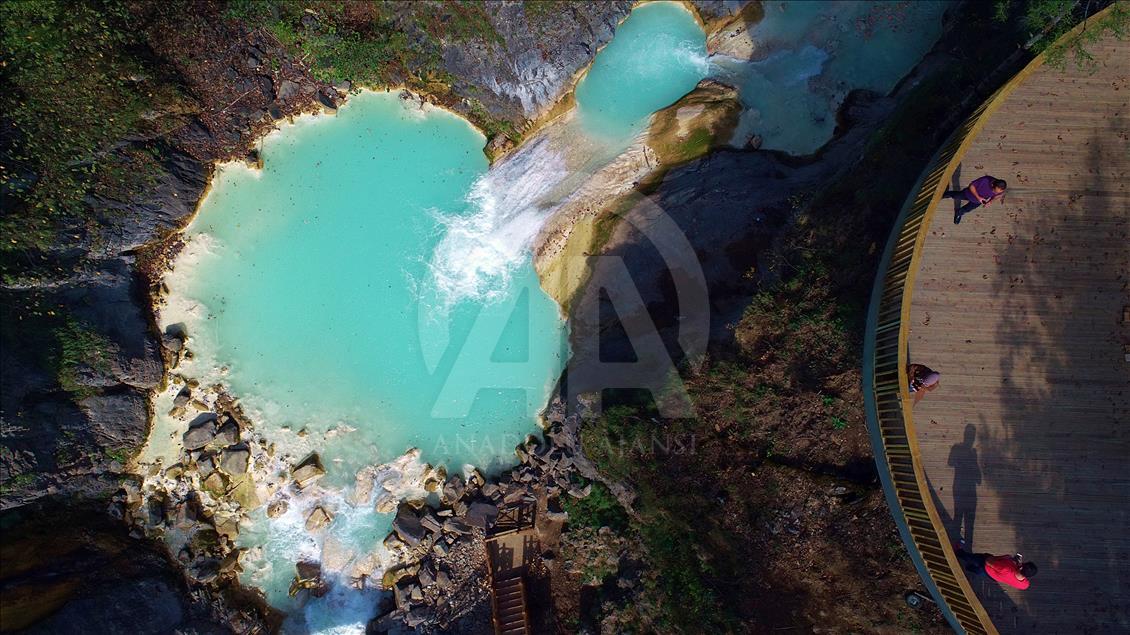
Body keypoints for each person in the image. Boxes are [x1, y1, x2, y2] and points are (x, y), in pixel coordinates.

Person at [954, 542, 1038, 590]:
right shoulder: (1025, 585)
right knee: (978, 571)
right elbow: (1019, 576)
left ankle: (958, 552)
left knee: (972, 558)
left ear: (1021, 567)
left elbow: (988, 561)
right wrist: (1018, 565)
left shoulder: (1006, 569)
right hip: (994, 577)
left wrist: (1006, 557)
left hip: (987, 566)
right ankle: (968, 568)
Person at [943, 176, 1007, 224]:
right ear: (992, 185)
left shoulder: (1000, 189)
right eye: (995, 191)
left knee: (966, 209)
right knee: (956, 196)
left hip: (977, 202)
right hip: (968, 194)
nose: (995, 193)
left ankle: (958, 213)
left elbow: (998, 196)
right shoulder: (985, 180)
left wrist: (990, 202)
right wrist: (978, 197)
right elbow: (971, 186)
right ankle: (946, 194)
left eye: (998, 192)